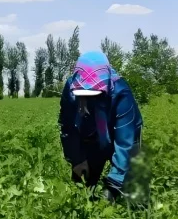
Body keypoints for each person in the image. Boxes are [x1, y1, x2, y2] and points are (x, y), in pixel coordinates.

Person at [59, 51, 143, 202]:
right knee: (82, 188)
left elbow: (126, 142)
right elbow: (68, 128)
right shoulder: (71, 89)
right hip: (92, 137)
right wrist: (77, 159)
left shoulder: (121, 92)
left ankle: (131, 204)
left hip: (120, 135)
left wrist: (114, 183)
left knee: (125, 186)